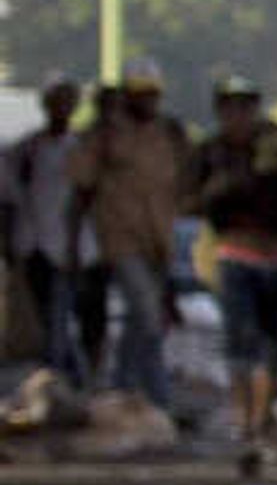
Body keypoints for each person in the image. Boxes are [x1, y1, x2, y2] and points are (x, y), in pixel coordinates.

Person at [194, 74, 277, 473]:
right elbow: (191, 199)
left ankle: (256, 421)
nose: (239, 114)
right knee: (240, 345)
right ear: (220, 111)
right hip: (235, 255)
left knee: (270, 348)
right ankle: (244, 422)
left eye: (245, 106)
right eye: (231, 107)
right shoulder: (213, 153)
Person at [69, 62, 190, 413]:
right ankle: (156, 395)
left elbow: (185, 181)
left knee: (146, 320)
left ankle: (123, 386)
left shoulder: (168, 134)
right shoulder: (107, 134)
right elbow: (81, 183)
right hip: (121, 237)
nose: (148, 102)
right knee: (147, 313)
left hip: (159, 238)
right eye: (141, 95)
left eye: (153, 95)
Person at [9, 77, 100, 384]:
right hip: (32, 245)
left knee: (60, 319)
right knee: (45, 321)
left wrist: (74, 249)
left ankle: (60, 381)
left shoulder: (79, 150)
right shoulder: (26, 149)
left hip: (65, 248)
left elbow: (82, 201)